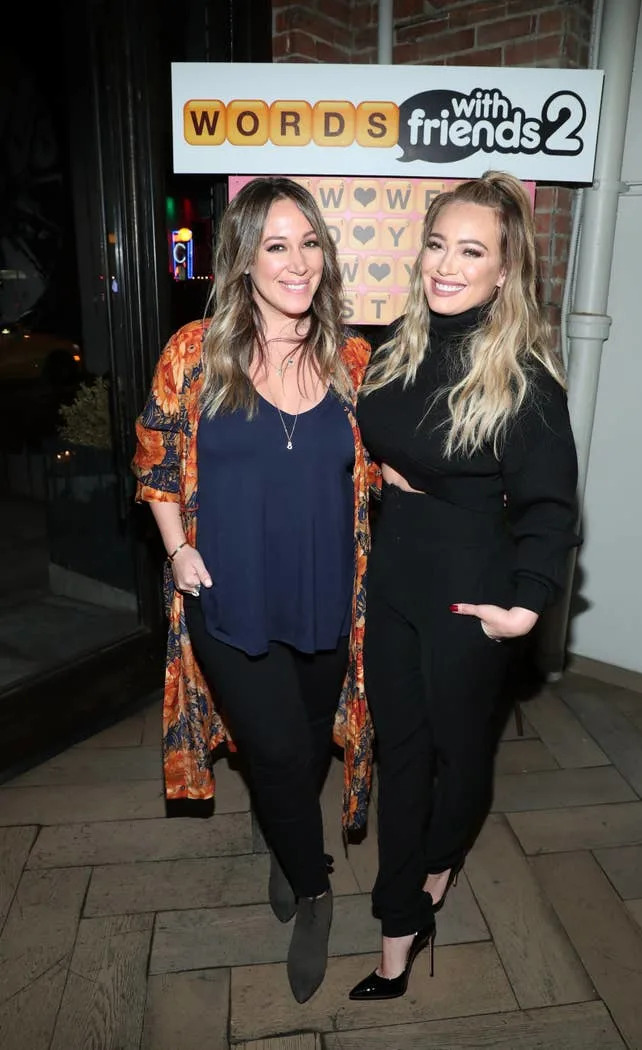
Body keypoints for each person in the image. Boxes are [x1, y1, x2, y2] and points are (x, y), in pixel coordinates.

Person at [131, 176, 376, 1004]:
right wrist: (175, 551)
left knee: (305, 748)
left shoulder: (351, 359)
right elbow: (157, 460)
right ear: (242, 258)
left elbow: (385, 472)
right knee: (272, 748)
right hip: (228, 599)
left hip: (325, 601)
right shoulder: (194, 353)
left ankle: (285, 831)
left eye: (309, 243)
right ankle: (314, 887)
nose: (297, 261)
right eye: (276, 244)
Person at [348, 170, 580, 1001]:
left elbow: (552, 509)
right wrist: (382, 470)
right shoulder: (394, 350)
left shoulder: (525, 383)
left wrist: (523, 608)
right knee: (400, 752)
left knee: (461, 754)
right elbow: (372, 439)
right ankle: (399, 921)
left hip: (467, 600)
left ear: (505, 270)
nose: (446, 265)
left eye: (470, 250)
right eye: (438, 245)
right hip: (393, 584)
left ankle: (435, 872)